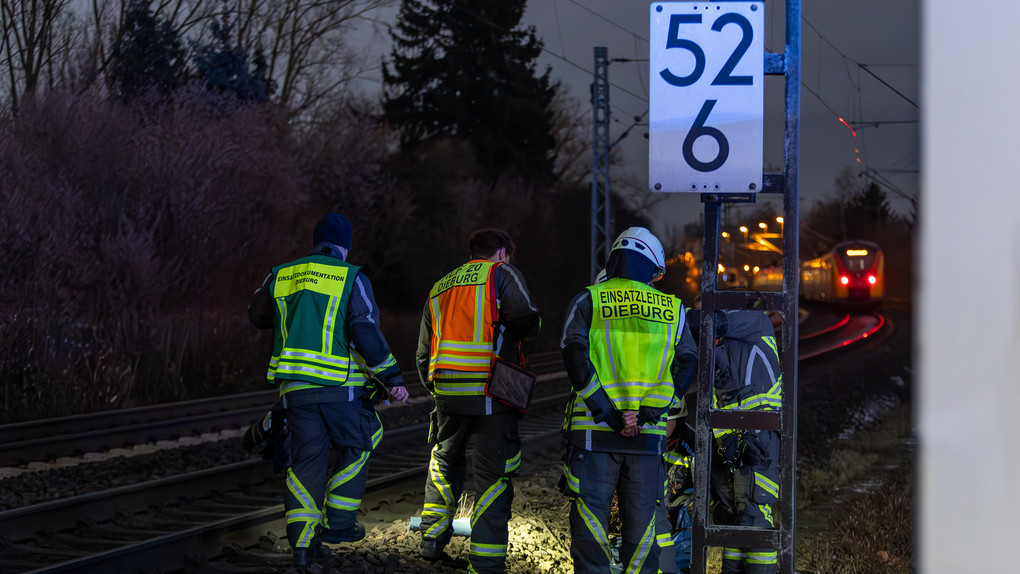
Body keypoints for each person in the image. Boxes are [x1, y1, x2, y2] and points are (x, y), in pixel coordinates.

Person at [248, 213, 410, 567]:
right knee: (362, 441)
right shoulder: (351, 277)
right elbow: (364, 330)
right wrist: (392, 378)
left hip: (295, 392)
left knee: (304, 463)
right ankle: (339, 523)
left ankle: (304, 547)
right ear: (345, 246)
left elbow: (257, 314)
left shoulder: (281, 274)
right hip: (339, 389)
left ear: (315, 241)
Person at [559, 227, 698, 574]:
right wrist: (652, 411)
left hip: (594, 434)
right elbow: (688, 363)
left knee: (592, 524)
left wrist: (607, 412)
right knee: (643, 527)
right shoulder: (673, 308)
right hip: (647, 438)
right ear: (652, 268)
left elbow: (574, 356)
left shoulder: (588, 299)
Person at [415, 228, 541, 573]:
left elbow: (423, 353)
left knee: (443, 464)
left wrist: (438, 388)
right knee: (491, 477)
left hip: (447, 393)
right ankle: (485, 562)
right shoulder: (501, 274)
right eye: (509, 254)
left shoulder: (440, 286)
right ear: (501, 252)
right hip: (490, 392)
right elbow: (528, 318)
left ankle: (430, 542)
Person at [691, 307, 782, 574]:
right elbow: (719, 402)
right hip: (734, 440)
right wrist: (724, 440)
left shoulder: (756, 323)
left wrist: (678, 316)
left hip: (760, 436)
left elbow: (713, 321)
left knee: (754, 515)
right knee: (730, 517)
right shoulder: (719, 348)